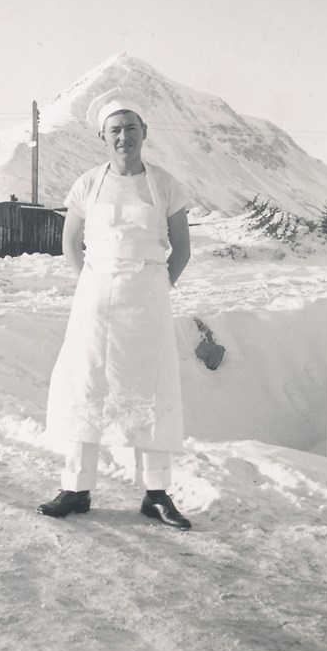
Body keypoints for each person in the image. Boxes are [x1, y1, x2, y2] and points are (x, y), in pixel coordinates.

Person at [37, 86, 192, 529]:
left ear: (145, 131)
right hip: (96, 299)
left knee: (153, 388)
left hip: (147, 300)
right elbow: (70, 243)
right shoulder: (88, 183)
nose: (123, 136)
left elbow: (181, 249)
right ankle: (76, 488)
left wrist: (158, 286)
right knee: (86, 385)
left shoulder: (164, 184)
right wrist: (92, 281)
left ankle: (157, 493)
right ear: (104, 138)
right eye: (115, 130)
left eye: (130, 128)